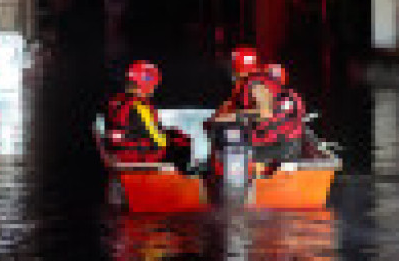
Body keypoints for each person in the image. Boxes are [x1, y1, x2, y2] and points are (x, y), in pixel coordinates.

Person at [209, 47, 304, 177]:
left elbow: (265, 113)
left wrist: (234, 116)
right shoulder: (258, 80)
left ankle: (249, 177)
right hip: (288, 141)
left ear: (236, 66)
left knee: (229, 151)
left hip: (277, 146)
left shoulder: (254, 85)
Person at [104, 60, 193, 173]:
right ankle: (182, 181)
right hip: (138, 157)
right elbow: (159, 142)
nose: (154, 89)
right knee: (182, 141)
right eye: (154, 85)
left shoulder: (117, 102)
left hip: (121, 154)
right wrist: (173, 136)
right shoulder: (138, 105)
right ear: (146, 83)